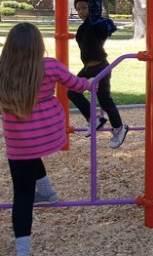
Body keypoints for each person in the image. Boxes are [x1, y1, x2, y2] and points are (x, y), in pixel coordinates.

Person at [0, 23, 93, 256]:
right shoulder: (49, 65)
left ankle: (22, 249)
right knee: (32, 156)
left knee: (22, 193)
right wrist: (91, 83)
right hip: (48, 132)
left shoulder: (2, 69)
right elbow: (78, 85)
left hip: (20, 139)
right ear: (38, 44)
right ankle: (47, 193)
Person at [67, 0, 129, 148]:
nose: (81, 12)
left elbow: (95, 11)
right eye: (78, 9)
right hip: (88, 68)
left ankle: (119, 128)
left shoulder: (95, 23)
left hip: (101, 67)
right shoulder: (83, 28)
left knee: (104, 99)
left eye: (84, 8)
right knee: (72, 92)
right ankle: (93, 119)